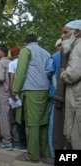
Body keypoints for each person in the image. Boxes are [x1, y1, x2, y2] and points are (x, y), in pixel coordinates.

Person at [11, 34, 50, 162]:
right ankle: (45, 153)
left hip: (31, 90)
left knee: (31, 123)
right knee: (43, 122)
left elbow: (21, 71)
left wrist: (15, 89)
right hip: (45, 89)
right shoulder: (46, 52)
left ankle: (33, 154)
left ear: (26, 42)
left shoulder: (26, 50)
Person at [60, 20, 81, 149]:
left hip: (77, 101)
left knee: (76, 138)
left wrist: (63, 73)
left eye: (65, 32)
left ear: (77, 32)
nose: (62, 36)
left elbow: (71, 76)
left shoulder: (78, 48)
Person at [0, 45, 13, 150]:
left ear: (3, 53)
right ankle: (12, 139)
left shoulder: (1, 63)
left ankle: (7, 141)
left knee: (3, 118)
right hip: (9, 93)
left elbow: (0, 77)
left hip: (2, 93)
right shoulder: (10, 62)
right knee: (10, 117)